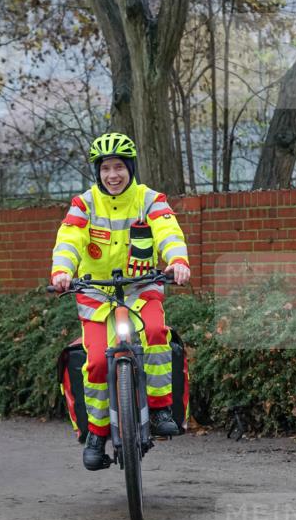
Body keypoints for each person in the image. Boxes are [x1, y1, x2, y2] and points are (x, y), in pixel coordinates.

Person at [51, 132, 191, 471]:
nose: (112, 175)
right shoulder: (83, 204)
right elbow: (69, 238)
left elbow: (168, 232)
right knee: (97, 363)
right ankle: (97, 436)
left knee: (157, 332)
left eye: (119, 167)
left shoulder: (150, 200)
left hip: (141, 289)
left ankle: (159, 409)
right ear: (97, 172)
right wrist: (62, 271)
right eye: (105, 169)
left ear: (130, 168)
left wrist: (177, 261)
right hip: (96, 293)